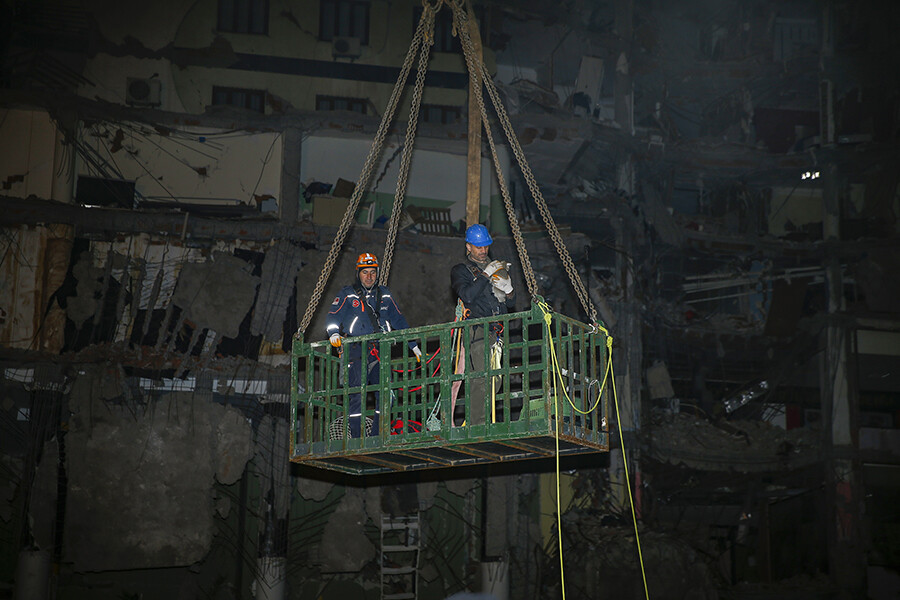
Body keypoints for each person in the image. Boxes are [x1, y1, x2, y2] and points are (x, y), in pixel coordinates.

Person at [326, 252, 421, 437]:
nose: (369, 276)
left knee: (386, 395)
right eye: (365, 272)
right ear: (358, 273)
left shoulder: (384, 295)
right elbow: (332, 316)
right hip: (356, 350)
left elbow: (399, 320)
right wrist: (333, 333)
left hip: (379, 350)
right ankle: (356, 439)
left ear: (377, 273)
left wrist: (413, 345)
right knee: (357, 396)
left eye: (372, 272)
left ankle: (377, 436)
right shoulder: (347, 294)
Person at [449, 224, 514, 425]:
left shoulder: (496, 268)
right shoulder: (461, 270)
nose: (483, 250)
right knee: (481, 376)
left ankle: (483, 420)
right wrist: (485, 275)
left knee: (496, 378)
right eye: (478, 247)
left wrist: (508, 290)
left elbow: (510, 302)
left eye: (485, 246)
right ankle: (478, 424)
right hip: (477, 329)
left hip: (496, 331)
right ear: (468, 247)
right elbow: (467, 295)